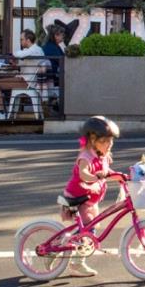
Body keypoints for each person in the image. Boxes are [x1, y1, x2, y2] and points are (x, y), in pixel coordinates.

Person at [61, 116, 120, 278]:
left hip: (89, 198)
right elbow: (83, 173)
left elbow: (107, 172)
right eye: (105, 141)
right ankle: (76, 263)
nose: (109, 144)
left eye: (111, 140)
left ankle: (67, 244)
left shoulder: (102, 155)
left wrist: (122, 177)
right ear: (93, 140)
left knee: (88, 228)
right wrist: (95, 177)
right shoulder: (86, 156)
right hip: (78, 197)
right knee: (87, 230)